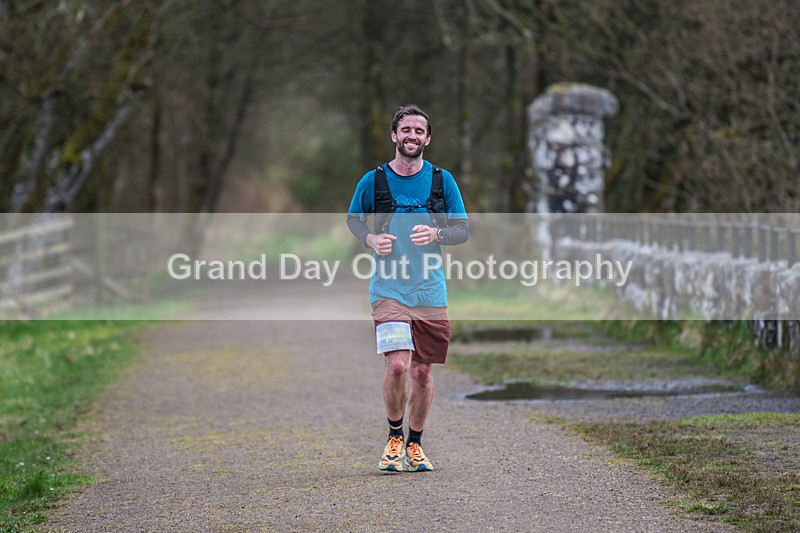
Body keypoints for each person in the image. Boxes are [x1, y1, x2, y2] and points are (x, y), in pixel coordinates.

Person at [346, 104, 469, 472]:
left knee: (423, 373)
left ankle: (415, 445)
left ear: (427, 138)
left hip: (430, 292)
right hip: (389, 290)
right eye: (406, 129)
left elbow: (462, 230)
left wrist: (437, 233)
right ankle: (394, 438)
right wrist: (369, 239)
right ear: (394, 135)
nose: (412, 136)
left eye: (419, 131)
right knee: (399, 365)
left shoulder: (441, 181)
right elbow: (353, 219)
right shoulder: (375, 180)